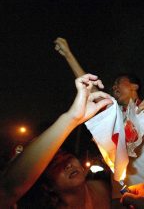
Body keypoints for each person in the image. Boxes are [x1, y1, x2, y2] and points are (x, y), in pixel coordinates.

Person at [54, 38, 144, 206]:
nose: (114, 87)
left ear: (134, 86)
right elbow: (92, 90)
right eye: (113, 85)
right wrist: (68, 55)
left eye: (119, 82)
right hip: (120, 198)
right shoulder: (114, 117)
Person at [0, 74, 113, 208]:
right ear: (48, 187)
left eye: (67, 157)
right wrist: (72, 118)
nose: (68, 165)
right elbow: (7, 190)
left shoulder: (105, 188)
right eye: (55, 165)